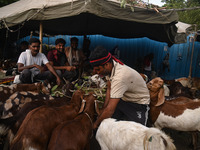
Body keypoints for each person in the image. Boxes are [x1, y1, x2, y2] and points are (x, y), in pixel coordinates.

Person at [89, 46, 150, 129]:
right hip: (124, 100)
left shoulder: (120, 76)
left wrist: (95, 124)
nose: (96, 72)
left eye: (98, 69)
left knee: (138, 132)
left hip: (138, 103)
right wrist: (103, 109)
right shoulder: (111, 67)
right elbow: (109, 89)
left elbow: (110, 110)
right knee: (108, 123)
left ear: (106, 65)